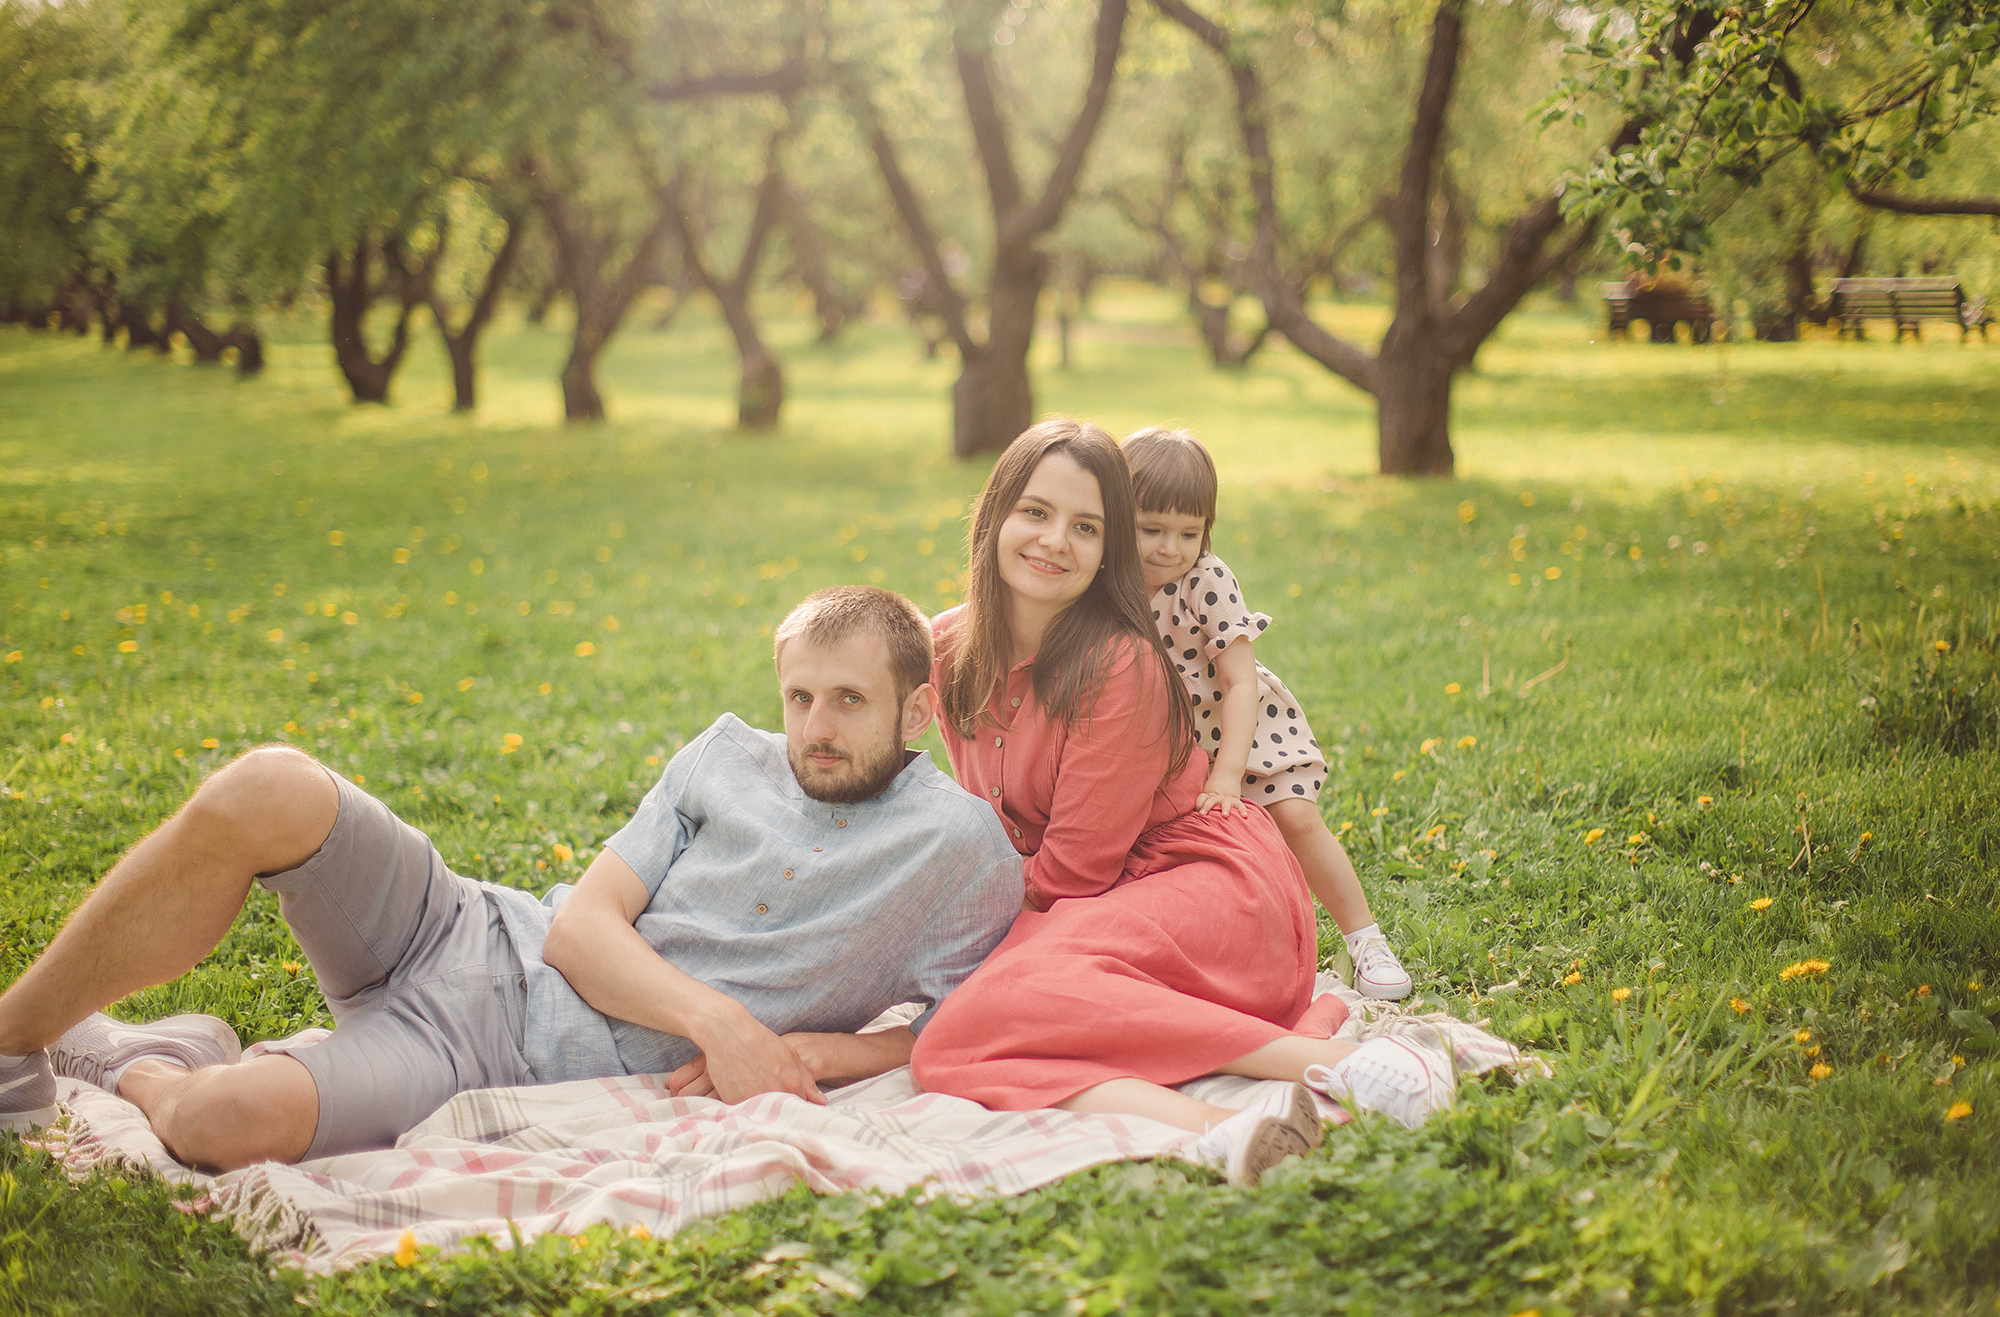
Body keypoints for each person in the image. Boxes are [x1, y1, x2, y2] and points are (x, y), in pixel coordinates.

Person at [0, 586, 1022, 1169]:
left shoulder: (957, 849)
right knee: (270, 785)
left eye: (848, 700)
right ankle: (10, 1036)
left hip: (483, 1054)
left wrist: (819, 1051)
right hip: (467, 928)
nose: (816, 728)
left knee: (220, 1122)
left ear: (915, 712)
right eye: (799, 697)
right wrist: (725, 1026)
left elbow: (962, 1025)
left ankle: (136, 1061)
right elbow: (579, 929)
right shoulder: (723, 755)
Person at [907, 419, 1455, 1187]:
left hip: (1206, 886)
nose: (1055, 540)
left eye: (1086, 526)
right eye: (1035, 511)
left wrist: (957, 912)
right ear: (994, 513)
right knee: (948, 1047)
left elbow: (1071, 872)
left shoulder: (1120, 663)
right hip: (1090, 905)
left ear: (1110, 550)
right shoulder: (943, 647)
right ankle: (1220, 1130)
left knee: (1001, 996)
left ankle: (1339, 1060)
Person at [1121, 426, 1413, 1000]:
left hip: (1241, 731)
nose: (1170, 548)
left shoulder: (1206, 580)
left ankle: (1365, 940)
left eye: (1189, 532)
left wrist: (1229, 771)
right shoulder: (1111, 584)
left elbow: (1239, 681)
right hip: (1163, 750)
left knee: (1296, 819)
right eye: (1150, 529)